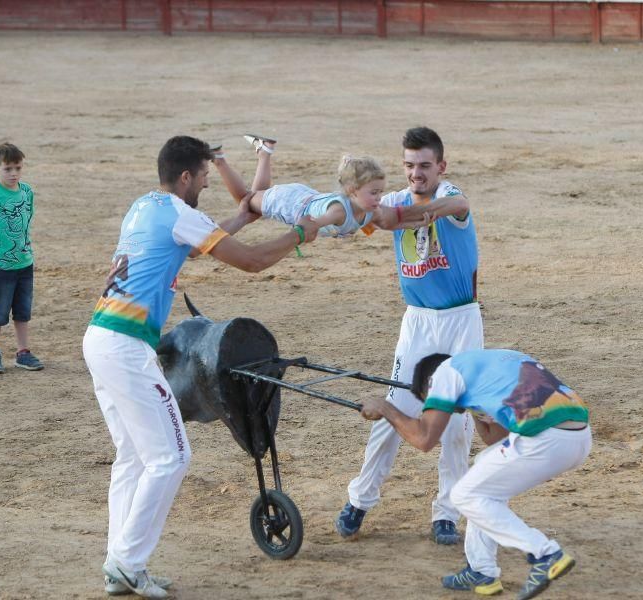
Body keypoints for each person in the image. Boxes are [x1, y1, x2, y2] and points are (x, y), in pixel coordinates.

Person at [83, 135, 319, 599]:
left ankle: (122, 564)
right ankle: (127, 563)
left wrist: (240, 219)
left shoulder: (145, 205)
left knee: (134, 457)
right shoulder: (179, 213)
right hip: (127, 348)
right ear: (186, 176)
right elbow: (249, 262)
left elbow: (191, 246)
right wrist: (299, 235)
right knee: (171, 458)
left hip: (100, 338)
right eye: (206, 177)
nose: (208, 185)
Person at [335, 126, 483, 545]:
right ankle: (360, 499)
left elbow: (458, 204)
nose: (416, 173)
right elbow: (366, 218)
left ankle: (447, 513)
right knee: (394, 406)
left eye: (424, 166)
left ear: (441, 166)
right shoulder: (395, 199)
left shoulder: (451, 195)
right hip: (417, 321)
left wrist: (403, 214)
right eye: (409, 166)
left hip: (460, 321)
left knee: (457, 419)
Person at [360, 349, 591, 599]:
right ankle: (481, 570)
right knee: (483, 475)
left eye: (430, 402)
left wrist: (386, 408)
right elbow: (495, 438)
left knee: (464, 495)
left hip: (545, 439)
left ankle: (545, 554)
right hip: (577, 437)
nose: (435, 409)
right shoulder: (497, 364)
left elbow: (424, 439)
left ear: (430, 383)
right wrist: (470, 407)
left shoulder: (445, 373)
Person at [211, 134, 429, 238]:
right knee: (245, 201)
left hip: (304, 196)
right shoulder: (338, 211)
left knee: (252, 199)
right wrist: (294, 240)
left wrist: (414, 225)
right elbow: (311, 225)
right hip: (288, 203)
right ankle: (218, 157)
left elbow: (389, 223)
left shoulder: (372, 210)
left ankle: (264, 152)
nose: (379, 197)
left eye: (380, 192)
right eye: (373, 192)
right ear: (353, 191)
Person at [0, 142, 44, 374]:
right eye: (7, 169)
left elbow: (27, 221)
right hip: (1, 263)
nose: (13, 173)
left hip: (24, 261)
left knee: (23, 310)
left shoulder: (27, 192)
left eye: (17, 168)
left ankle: (23, 352)